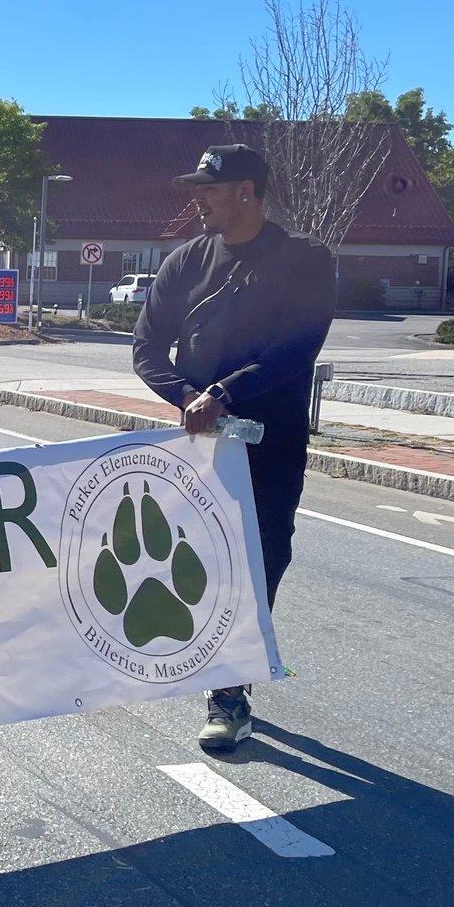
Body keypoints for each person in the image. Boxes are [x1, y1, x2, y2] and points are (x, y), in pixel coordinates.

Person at [131, 143, 335, 753]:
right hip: (197, 441)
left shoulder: (306, 260)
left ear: (245, 191)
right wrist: (189, 396)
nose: (197, 201)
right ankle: (200, 659)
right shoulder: (185, 263)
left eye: (208, 190)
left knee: (260, 558)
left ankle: (230, 690)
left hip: (270, 441)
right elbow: (146, 349)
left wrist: (225, 393)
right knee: (199, 559)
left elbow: (299, 347)